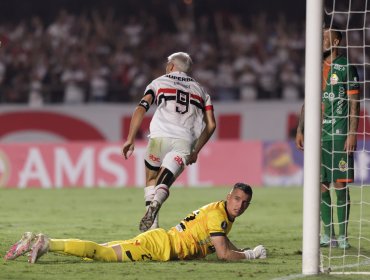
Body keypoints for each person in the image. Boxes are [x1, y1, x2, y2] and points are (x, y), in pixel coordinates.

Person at [4, 183, 266, 263]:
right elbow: (222, 253)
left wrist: (241, 250)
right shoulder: (220, 215)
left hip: (161, 242)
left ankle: (34, 242)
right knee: (103, 254)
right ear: (228, 197)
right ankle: (47, 243)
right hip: (159, 247)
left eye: (244, 203)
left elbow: (222, 241)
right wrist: (250, 256)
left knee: (97, 252)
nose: (239, 206)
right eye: (236, 199)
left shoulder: (221, 214)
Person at [122, 52, 216, 232]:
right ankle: (157, 202)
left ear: (171, 66)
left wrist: (130, 138)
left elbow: (141, 108)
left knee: (151, 179)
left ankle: (153, 229)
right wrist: (196, 150)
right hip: (184, 141)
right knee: (164, 182)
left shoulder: (158, 82)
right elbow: (211, 125)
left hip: (159, 138)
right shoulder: (201, 90)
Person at [295, 27, 360, 249]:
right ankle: (326, 234)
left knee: (339, 184)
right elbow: (308, 101)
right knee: (320, 184)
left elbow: (354, 103)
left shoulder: (346, 67)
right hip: (317, 134)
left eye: (325, 37)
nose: (321, 40)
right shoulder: (314, 67)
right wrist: (300, 129)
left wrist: (352, 133)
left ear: (337, 40)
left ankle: (342, 236)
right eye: (320, 37)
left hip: (340, 134)